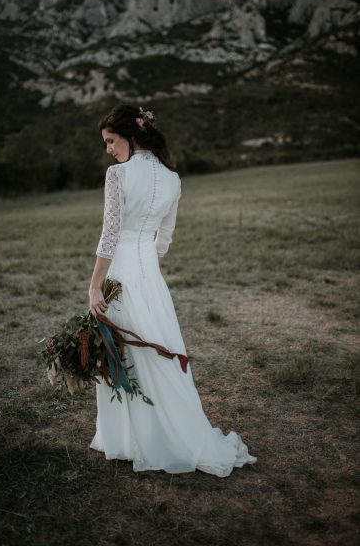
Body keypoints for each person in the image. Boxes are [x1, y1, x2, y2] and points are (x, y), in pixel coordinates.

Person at [88, 104, 257, 476]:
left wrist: (95, 284)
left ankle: (131, 440)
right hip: (150, 276)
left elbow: (110, 235)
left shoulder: (117, 175)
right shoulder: (172, 179)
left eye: (111, 140)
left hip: (121, 274)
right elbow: (163, 240)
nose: (108, 149)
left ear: (131, 136)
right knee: (153, 353)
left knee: (125, 353)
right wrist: (148, 273)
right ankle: (170, 434)